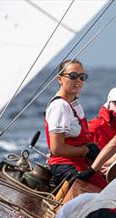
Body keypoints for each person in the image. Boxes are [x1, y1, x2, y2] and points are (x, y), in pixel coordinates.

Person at [43, 58, 108, 188]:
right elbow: (57, 149)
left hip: (80, 164)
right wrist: (85, 150)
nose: (78, 80)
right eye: (73, 76)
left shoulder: (73, 105)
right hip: (65, 167)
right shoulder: (59, 106)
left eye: (82, 77)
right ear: (59, 79)